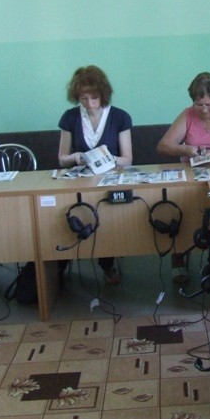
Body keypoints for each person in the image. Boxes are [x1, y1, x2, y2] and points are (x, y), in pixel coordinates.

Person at [57, 65, 132, 285]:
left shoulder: (120, 117)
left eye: (94, 98)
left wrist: (108, 158)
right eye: (83, 98)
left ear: (103, 94)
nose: (89, 103)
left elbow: (127, 159)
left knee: (105, 217)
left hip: (109, 181)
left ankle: (107, 264)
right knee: (67, 214)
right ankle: (60, 263)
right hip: (80, 182)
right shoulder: (70, 117)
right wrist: (76, 157)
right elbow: (62, 159)